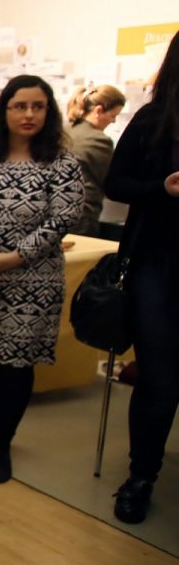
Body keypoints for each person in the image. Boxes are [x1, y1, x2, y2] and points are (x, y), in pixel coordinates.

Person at [0, 75, 83, 483]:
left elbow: (62, 219)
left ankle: (1, 440)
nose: (29, 114)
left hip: (32, 281)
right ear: (5, 110)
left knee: (13, 365)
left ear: (49, 111)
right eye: (20, 106)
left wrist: (11, 258)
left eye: (38, 106)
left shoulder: (62, 162)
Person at [104, 33, 179, 524]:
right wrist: (164, 188)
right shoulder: (154, 121)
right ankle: (141, 476)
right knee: (159, 377)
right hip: (161, 265)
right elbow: (116, 183)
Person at [66, 84, 125, 237]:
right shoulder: (99, 140)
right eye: (113, 115)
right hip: (82, 218)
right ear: (98, 110)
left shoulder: (64, 131)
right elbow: (111, 180)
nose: (113, 121)